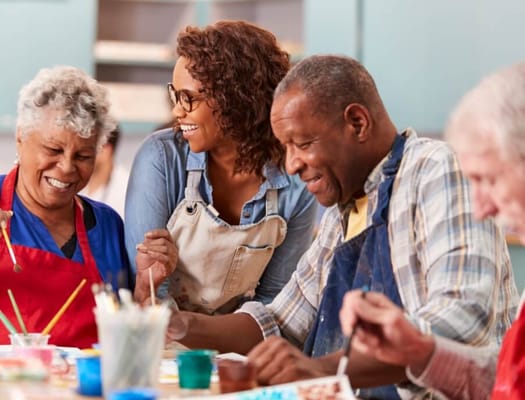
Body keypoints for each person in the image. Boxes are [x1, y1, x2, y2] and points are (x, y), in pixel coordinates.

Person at [158, 55, 518, 398]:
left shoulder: (436, 168)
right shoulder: (342, 209)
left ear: (357, 123)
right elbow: (281, 323)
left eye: (302, 144)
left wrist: (326, 370)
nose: (292, 165)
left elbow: (464, 318)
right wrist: (178, 324)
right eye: (285, 148)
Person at [339, 62, 525, 399]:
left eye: (488, 179)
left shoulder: (434, 167)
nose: (482, 207)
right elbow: (506, 382)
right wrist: (418, 350)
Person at [125, 21, 317, 314]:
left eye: (188, 98)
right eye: (175, 95)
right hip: (163, 344)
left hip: (239, 348)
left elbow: (275, 305)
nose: (177, 111)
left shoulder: (295, 181)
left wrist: (224, 345)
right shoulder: (161, 159)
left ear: (236, 99)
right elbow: (151, 294)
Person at [0, 66, 132, 348]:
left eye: (83, 155)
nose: (67, 168)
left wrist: (148, 285)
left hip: (86, 388)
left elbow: (126, 327)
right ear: (21, 137)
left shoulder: (108, 225)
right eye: (54, 150)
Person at [80, 125, 129, 217]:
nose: (81, 153)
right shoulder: (77, 181)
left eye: (88, 147)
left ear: (106, 150)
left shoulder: (127, 189)